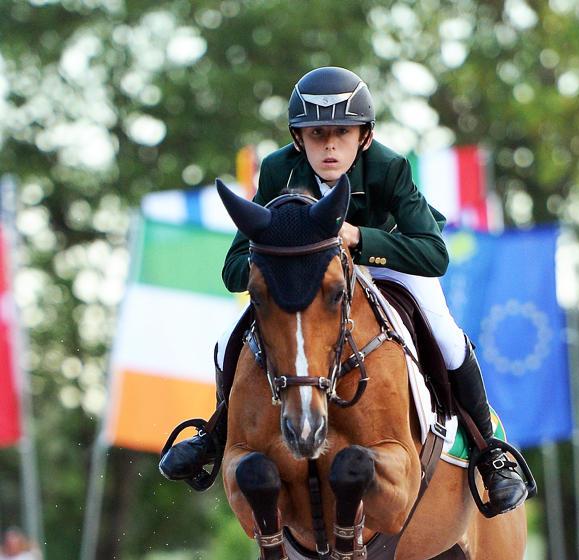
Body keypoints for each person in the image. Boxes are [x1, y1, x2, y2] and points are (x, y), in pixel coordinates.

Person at [159, 66, 529, 516]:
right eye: (316, 134)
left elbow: (434, 255)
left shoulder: (389, 168)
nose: (330, 145)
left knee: (446, 335)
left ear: (364, 137)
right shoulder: (278, 169)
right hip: (311, 279)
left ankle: (490, 454)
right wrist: (276, 254)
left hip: (388, 265)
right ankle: (214, 438)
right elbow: (235, 269)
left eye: (342, 132)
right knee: (226, 341)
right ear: (299, 139)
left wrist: (360, 239)